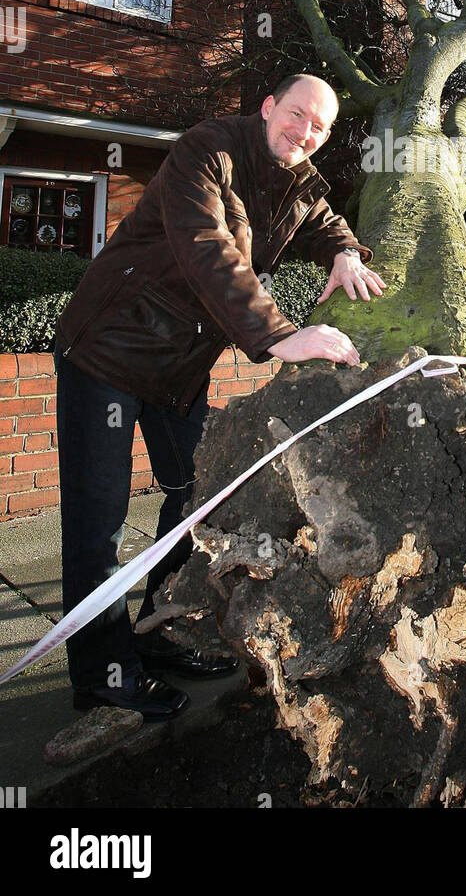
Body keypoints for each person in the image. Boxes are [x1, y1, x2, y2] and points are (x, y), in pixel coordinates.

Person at [54, 75, 385, 719]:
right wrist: (279, 334)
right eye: (296, 116)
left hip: (177, 373)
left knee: (195, 498)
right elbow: (208, 248)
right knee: (99, 523)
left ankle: (160, 629)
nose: (305, 134)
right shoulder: (207, 151)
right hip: (108, 352)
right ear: (268, 107)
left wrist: (344, 252)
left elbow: (325, 219)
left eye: (319, 128)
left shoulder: (295, 179)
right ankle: (103, 673)